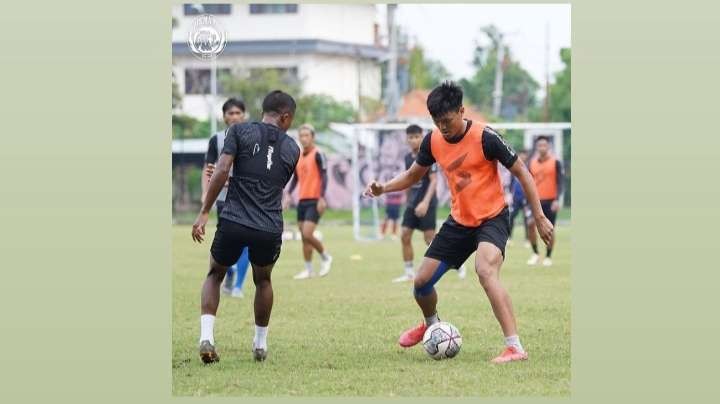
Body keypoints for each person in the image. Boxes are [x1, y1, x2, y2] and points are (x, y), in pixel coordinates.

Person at [364, 81, 554, 363]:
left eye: (447, 120)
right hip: (459, 221)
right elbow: (414, 175)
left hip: (492, 218)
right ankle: (431, 325)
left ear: (462, 111)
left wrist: (539, 216)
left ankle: (515, 347)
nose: (442, 127)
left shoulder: (486, 137)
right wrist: (384, 188)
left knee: (485, 270)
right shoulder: (432, 141)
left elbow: (522, 172)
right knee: (421, 282)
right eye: (437, 121)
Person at [191, 90, 301, 363]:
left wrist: (204, 211)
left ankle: (207, 336)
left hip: (234, 219)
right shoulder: (292, 148)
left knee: (215, 274)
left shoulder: (238, 131)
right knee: (263, 280)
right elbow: (268, 183)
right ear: (286, 117)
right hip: (268, 225)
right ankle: (260, 344)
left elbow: (223, 169)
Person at [202, 97, 250, 298]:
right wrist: (206, 194)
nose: (235, 116)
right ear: (224, 117)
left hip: (248, 199)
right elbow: (209, 169)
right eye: (230, 113)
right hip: (223, 199)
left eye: (238, 112)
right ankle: (229, 272)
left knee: (247, 241)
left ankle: (238, 286)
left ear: (244, 115)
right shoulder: (217, 140)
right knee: (226, 242)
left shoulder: (253, 137)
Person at [393, 125, 439, 283]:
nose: (413, 140)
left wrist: (425, 202)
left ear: (422, 137)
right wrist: (408, 201)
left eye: (416, 137)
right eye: (410, 137)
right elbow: (408, 179)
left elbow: (434, 181)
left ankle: (454, 263)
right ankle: (409, 272)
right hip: (412, 204)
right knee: (405, 234)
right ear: (407, 139)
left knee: (429, 240)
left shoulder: (429, 155)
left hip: (427, 202)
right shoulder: (407, 158)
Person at [286, 124, 333, 280]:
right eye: (302, 136)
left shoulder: (318, 154)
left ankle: (326, 256)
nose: (304, 138)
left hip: (315, 200)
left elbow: (325, 176)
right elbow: (296, 179)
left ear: (313, 137)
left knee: (307, 233)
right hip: (302, 200)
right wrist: (288, 194)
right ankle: (308, 269)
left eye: (307, 135)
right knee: (304, 237)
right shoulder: (298, 156)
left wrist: (322, 197)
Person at [526, 136, 564, 267]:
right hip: (535, 201)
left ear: (548, 147)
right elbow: (527, 182)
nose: (542, 147)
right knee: (531, 224)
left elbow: (560, 182)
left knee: (550, 229)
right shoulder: (531, 163)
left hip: (550, 200)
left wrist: (557, 200)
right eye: (539, 145)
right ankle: (535, 253)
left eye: (544, 145)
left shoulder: (555, 162)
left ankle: (548, 256)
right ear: (537, 147)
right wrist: (527, 202)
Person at [508, 150, 531, 246]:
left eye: (524, 156)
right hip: (516, 198)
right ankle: (509, 238)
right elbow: (511, 183)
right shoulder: (514, 167)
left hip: (526, 198)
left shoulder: (529, 167)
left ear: (527, 157)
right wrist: (510, 194)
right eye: (521, 155)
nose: (523, 157)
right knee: (511, 217)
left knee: (527, 219)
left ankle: (527, 239)